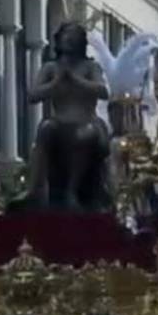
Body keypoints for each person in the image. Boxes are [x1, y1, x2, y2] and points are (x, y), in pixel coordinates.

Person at [26, 21, 111, 211]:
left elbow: (103, 90)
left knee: (85, 134)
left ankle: (72, 190)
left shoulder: (90, 67)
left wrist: (75, 80)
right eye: (66, 35)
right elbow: (33, 95)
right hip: (60, 121)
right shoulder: (50, 68)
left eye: (74, 36)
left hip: (86, 120)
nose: (70, 39)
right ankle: (36, 188)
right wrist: (56, 82)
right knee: (45, 128)